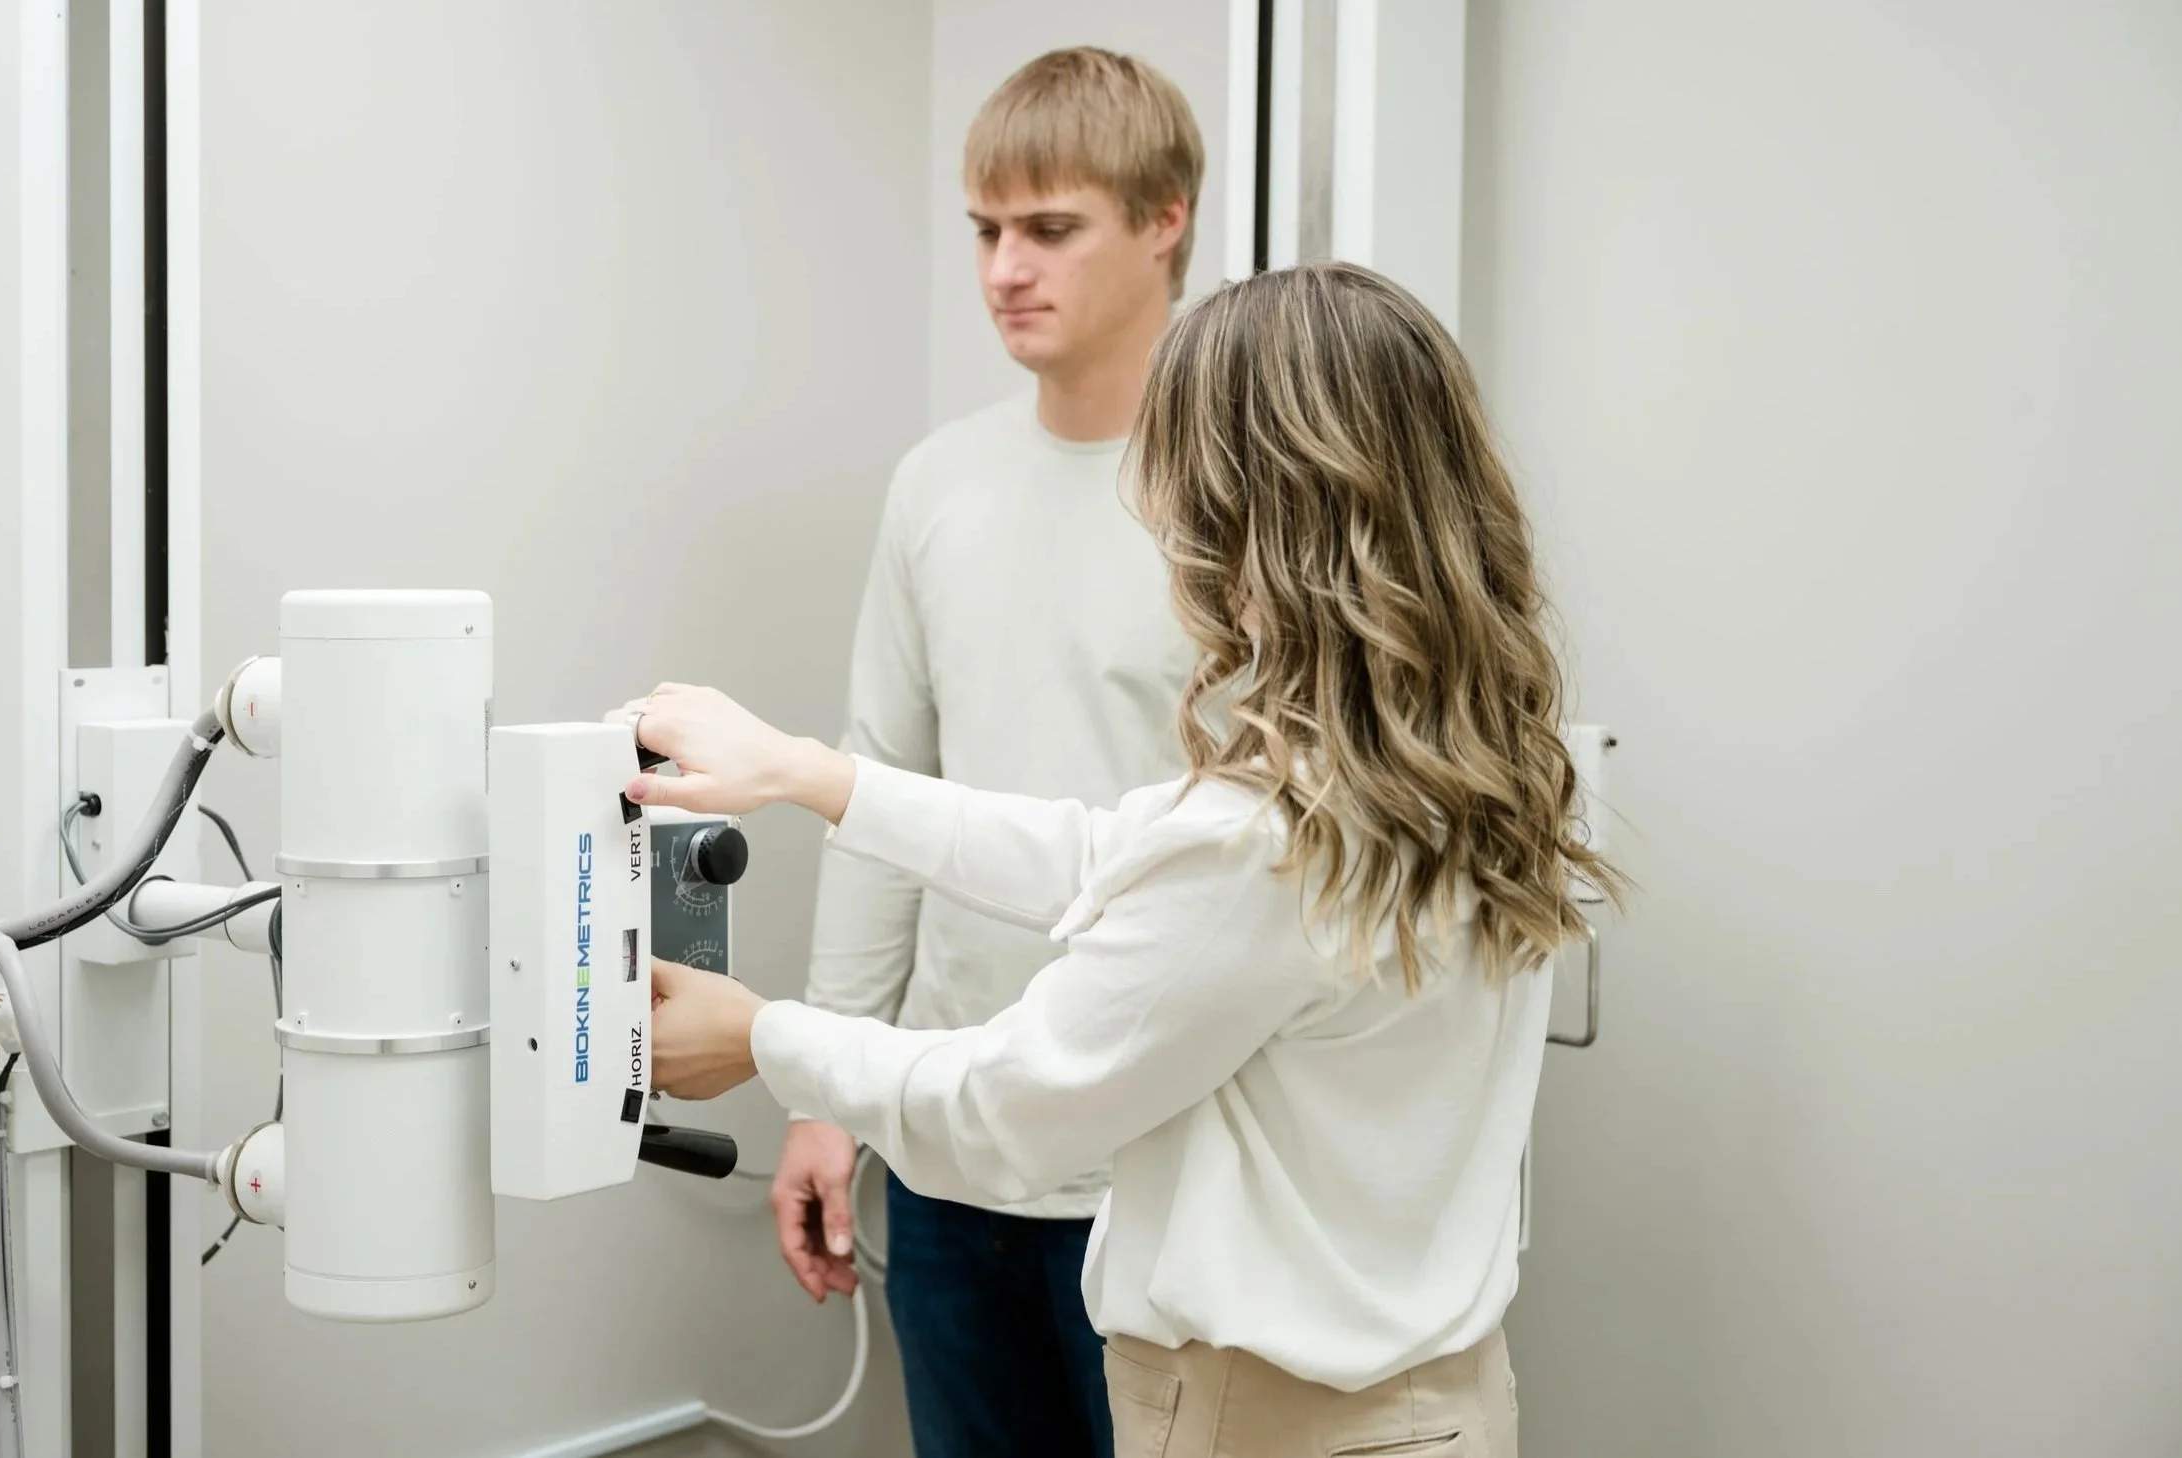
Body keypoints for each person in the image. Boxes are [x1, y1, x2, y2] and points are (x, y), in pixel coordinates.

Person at [625, 262, 1624, 1458]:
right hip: (1443, 1407)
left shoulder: (1267, 840)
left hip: (1271, 1427)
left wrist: (759, 1039)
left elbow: (1008, 1110)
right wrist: (812, 775)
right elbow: (1110, 856)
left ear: (1247, 509)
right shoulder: (1478, 761)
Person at [771, 45, 1206, 1458]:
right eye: (984, 231)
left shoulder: (1244, 497)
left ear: (1164, 218)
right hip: (948, 1148)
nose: (1004, 269)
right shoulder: (938, 484)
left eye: (1049, 228)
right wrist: (830, 1088)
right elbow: (876, 782)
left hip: (1163, 1162)